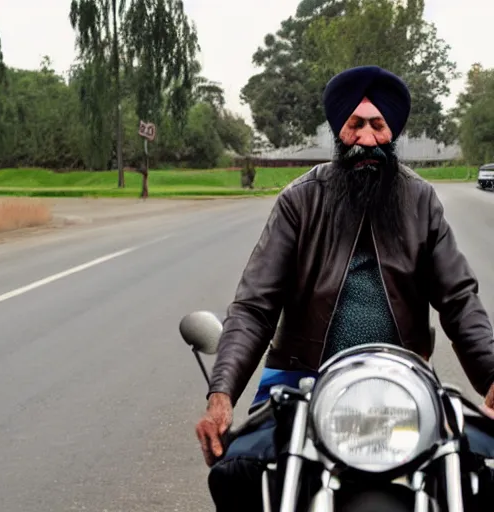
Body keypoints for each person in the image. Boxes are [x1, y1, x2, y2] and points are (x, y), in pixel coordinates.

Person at [195, 66, 494, 510]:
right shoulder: (300, 200)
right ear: (340, 129)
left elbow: (458, 299)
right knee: (237, 472)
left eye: (377, 125)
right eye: (356, 124)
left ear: (392, 132)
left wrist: (491, 374)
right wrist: (221, 393)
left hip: (401, 384)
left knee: (479, 467)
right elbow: (255, 306)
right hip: (301, 380)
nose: (367, 139)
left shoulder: (421, 201)